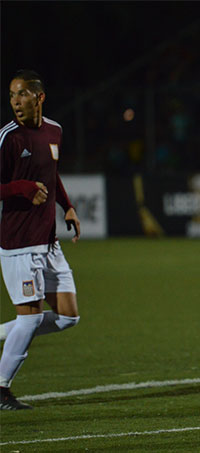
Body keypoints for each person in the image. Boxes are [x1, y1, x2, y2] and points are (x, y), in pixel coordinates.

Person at [0, 70, 81, 410]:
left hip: (48, 242)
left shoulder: (54, 131)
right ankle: (1, 388)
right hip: (20, 244)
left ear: (39, 96)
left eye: (21, 94)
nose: (15, 102)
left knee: (67, 317)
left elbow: (51, 173)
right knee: (30, 319)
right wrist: (23, 187)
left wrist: (68, 206)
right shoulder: (8, 137)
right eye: (11, 96)